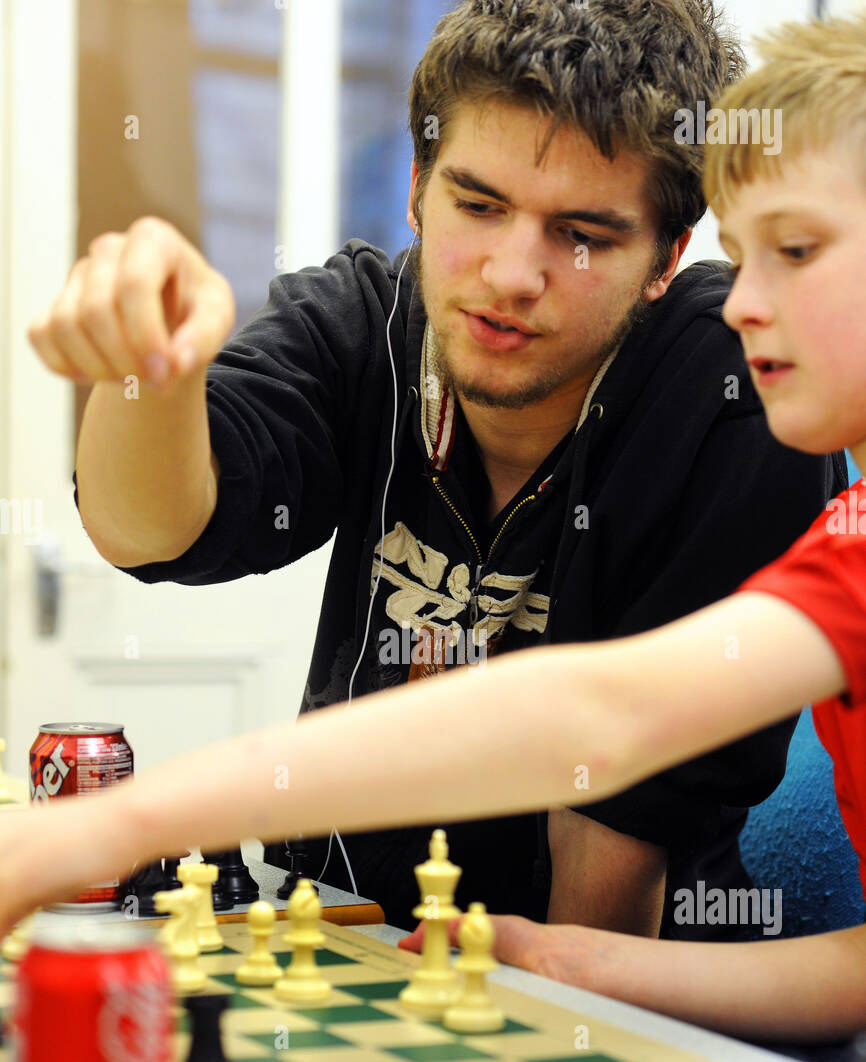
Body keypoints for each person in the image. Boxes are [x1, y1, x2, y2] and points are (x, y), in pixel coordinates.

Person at [25, 0, 844, 943]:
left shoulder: (728, 387)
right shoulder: (363, 317)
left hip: (606, 980)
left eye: (584, 235)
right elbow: (149, 528)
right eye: (478, 205)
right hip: (341, 932)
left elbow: (613, 839)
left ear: (668, 258)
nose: (511, 273)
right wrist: (150, 372)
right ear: (416, 188)